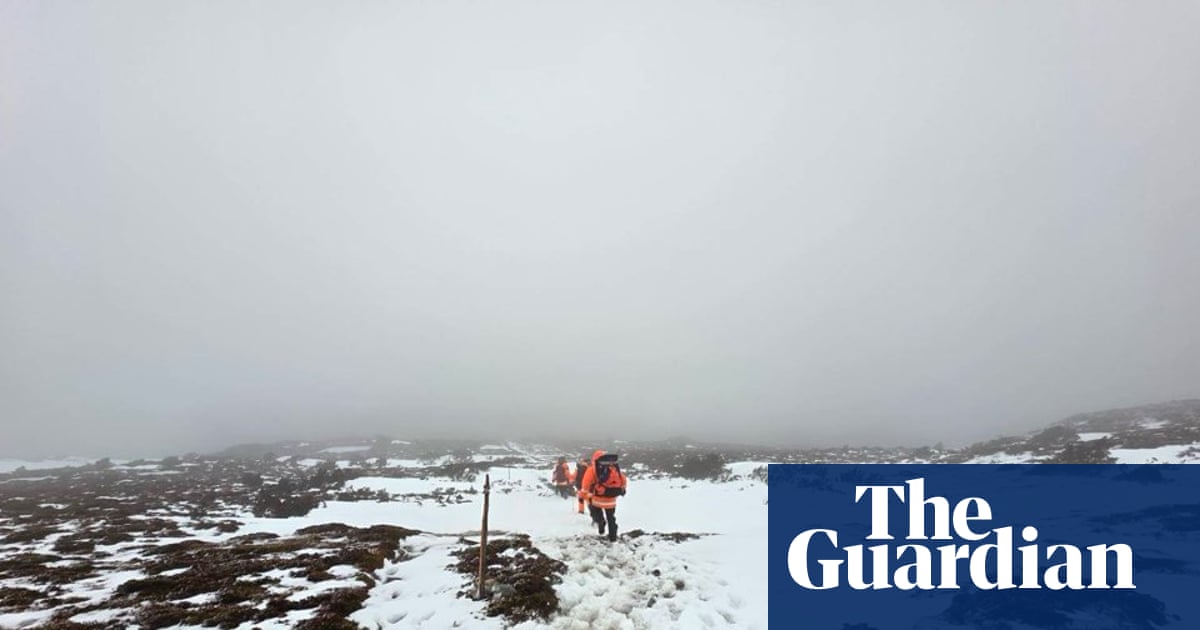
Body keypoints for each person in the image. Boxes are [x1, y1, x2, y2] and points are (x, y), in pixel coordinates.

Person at [580, 449, 627, 542]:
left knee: (597, 514)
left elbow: (585, 484)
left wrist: (582, 495)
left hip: (598, 498)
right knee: (611, 518)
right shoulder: (613, 467)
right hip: (611, 499)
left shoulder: (592, 469)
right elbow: (623, 479)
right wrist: (622, 489)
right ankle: (613, 538)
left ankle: (601, 526)